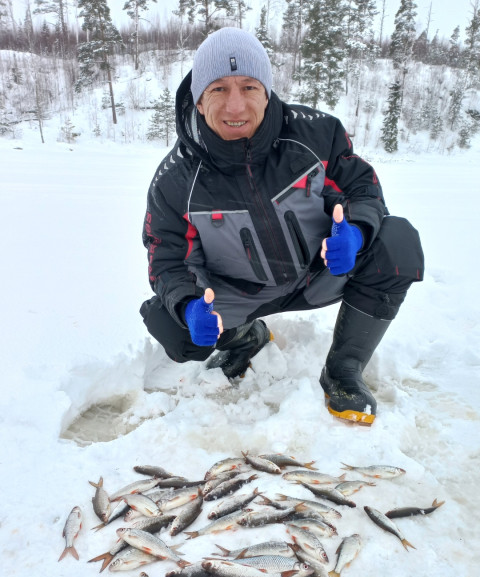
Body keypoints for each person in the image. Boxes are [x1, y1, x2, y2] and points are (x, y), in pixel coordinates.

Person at [140, 27, 424, 424]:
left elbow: (362, 187)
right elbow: (167, 257)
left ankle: (344, 370)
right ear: (199, 99)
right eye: (218, 89)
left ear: (268, 91)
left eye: (249, 87)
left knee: (397, 243)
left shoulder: (316, 134)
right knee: (170, 324)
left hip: (319, 273)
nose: (235, 106)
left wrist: (356, 231)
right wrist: (189, 305)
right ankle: (244, 337)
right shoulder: (175, 181)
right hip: (238, 294)